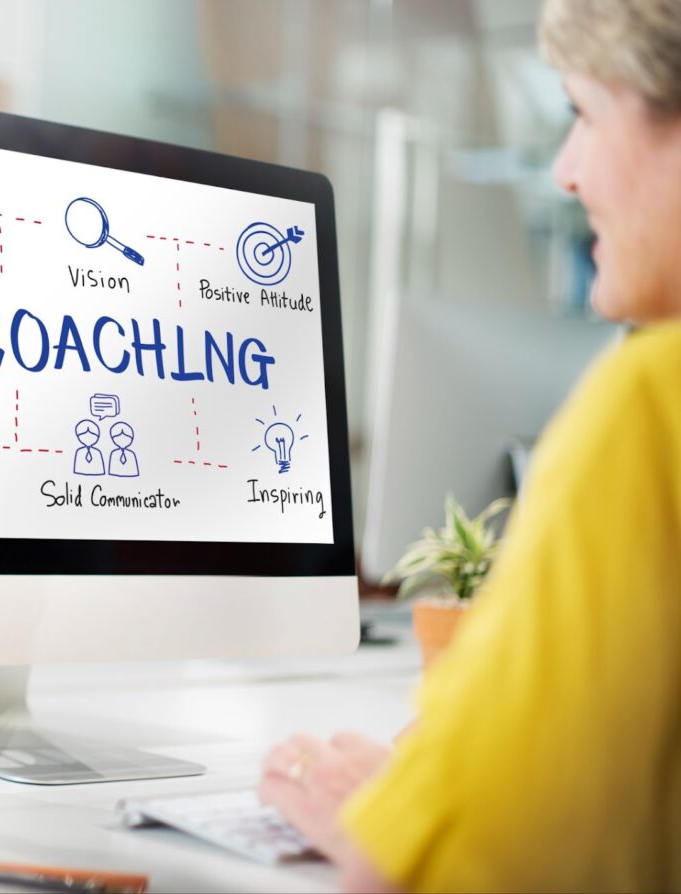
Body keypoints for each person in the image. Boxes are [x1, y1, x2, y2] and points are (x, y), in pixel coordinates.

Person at [258, 1, 681, 890]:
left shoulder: (651, 402)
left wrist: (388, 816)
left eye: (585, 114)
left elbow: (464, 867)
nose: (565, 170)